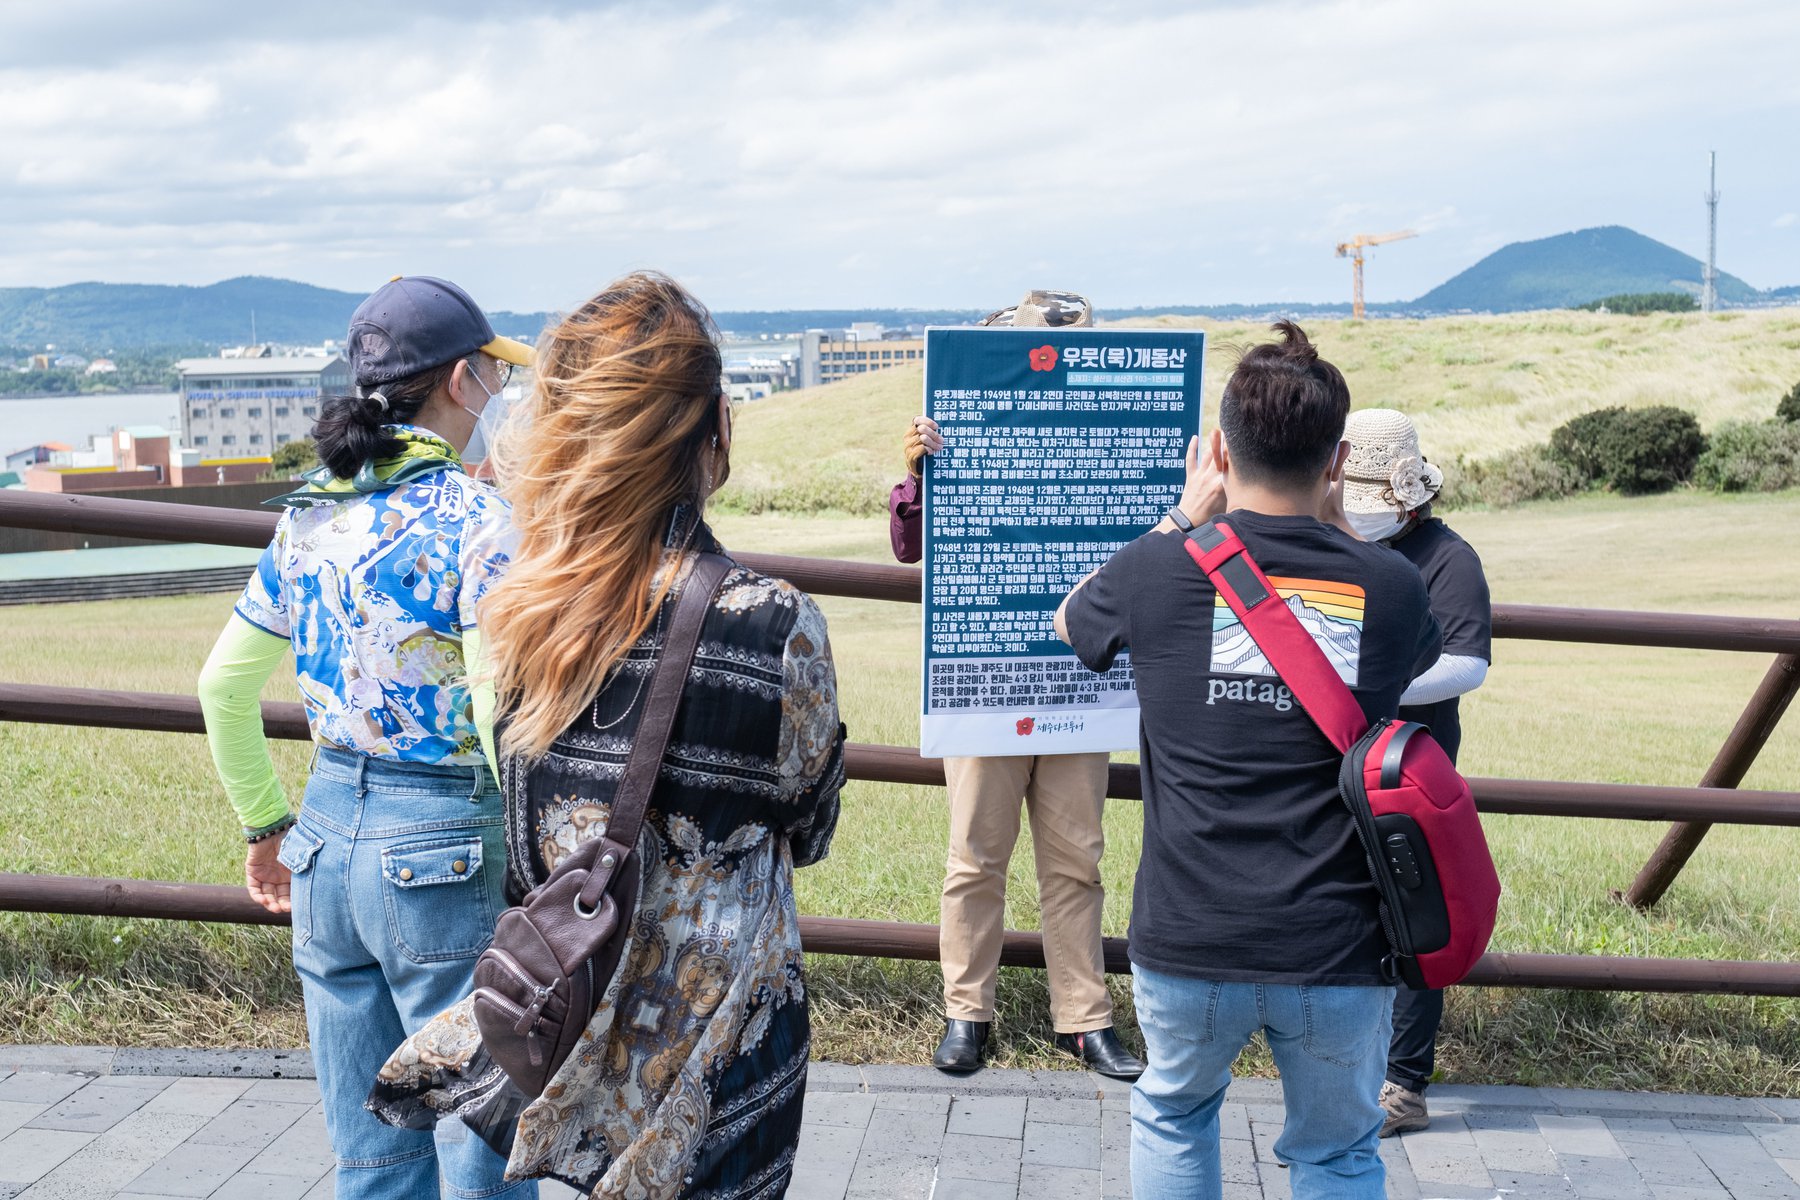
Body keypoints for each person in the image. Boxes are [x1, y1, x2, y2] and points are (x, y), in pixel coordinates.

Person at [366, 272, 846, 1198]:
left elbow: (525, 839)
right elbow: (811, 826)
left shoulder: (523, 610)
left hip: (573, 1019)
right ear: (714, 430)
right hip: (724, 1045)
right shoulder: (770, 622)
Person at [1056, 322, 1442, 1198]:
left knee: (1175, 1116)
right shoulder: (1391, 586)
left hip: (1191, 933)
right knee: (1339, 1154)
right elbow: (1412, 660)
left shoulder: (1159, 570)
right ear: (1337, 458)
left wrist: (1183, 517)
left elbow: (1074, 619)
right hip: (1338, 940)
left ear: (1221, 451)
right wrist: (1342, 528)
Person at [197, 276, 536, 1199]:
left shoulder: (306, 516)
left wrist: (266, 826)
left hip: (323, 840)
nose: (501, 398)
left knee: (373, 1156)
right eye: (496, 381)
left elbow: (222, 687)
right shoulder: (476, 522)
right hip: (442, 849)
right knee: (481, 1142)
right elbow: (497, 696)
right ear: (464, 382)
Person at [888, 289, 1144, 1079]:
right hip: (988, 677)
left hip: (1079, 679)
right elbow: (908, 544)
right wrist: (921, 474)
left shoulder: (1111, 436)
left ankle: (1085, 1018)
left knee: (1077, 860)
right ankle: (967, 1014)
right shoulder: (955, 436)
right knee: (975, 857)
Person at [1340, 407, 1492, 1137]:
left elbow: (1467, 662)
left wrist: (1374, 686)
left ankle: (1404, 1082)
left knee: (1412, 914)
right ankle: (1345, 1068)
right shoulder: (1333, 537)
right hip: (1339, 758)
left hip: (1408, 768)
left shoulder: (1448, 557)